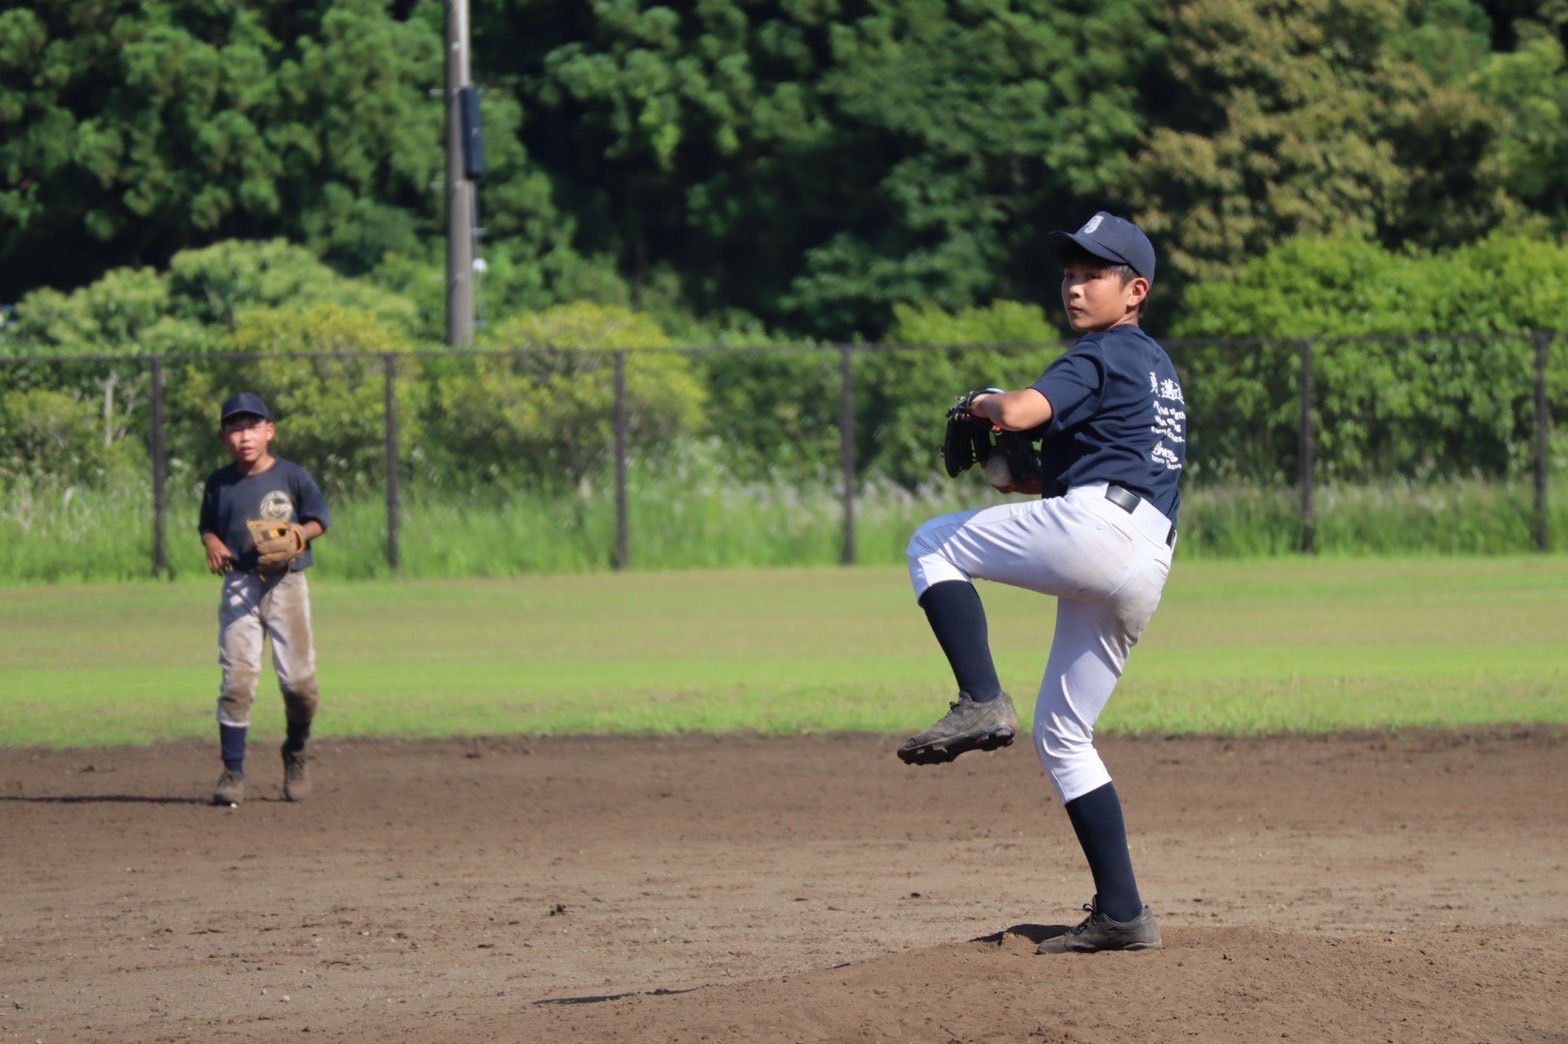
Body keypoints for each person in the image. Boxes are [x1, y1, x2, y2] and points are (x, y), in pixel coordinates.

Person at [898, 212, 1186, 953]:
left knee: (932, 544)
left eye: (1094, 273)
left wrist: (980, 401)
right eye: (1069, 272)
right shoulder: (1151, 367)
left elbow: (1022, 410)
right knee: (1065, 735)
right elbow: (1032, 478)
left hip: (1099, 532)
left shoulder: (1101, 351)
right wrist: (1002, 461)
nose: (1075, 285)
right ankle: (1123, 913)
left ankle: (981, 699)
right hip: (1144, 556)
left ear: (1135, 290)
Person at [199, 392, 330, 806]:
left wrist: (297, 536)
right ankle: (233, 772)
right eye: (235, 428)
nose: (245, 436)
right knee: (237, 682)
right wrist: (212, 542)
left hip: (286, 585)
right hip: (239, 584)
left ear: (269, 431)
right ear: (223, 437)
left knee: (300, 685)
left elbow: (318, 519)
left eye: (252, 426)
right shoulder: (219, 483)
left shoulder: (291, 476)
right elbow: (206, 525)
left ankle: (296, 750)